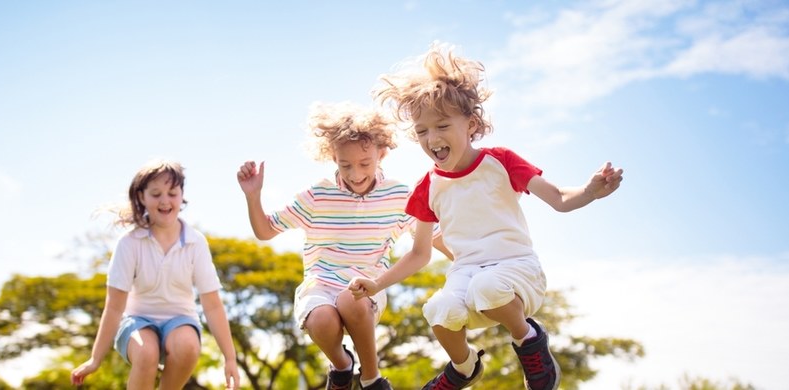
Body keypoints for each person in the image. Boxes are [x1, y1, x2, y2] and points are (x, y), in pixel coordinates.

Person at [348, 43, 624, 390]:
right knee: (439, 310)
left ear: (471, 124)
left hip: (517, 270)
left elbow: (558, 199)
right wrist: (377, 283)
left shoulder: (501, 161)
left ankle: (530, 340)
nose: (432, 139)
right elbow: (419, 253)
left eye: (442, 125)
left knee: (487, 286)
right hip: (467, 276)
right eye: (421, 131)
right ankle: (463, 368)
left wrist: (590, 191)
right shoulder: (427, 187)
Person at [236, 101, 451, 390]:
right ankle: (341, 367)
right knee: (323, 321)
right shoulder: (317, 196)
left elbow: (433, 238)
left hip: (368, 285)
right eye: (345, 164)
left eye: (365, 164)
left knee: (350, 299)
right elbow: (265, 231)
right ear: (333, 158)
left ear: (381, 153)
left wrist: (469, 261)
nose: (355, 173)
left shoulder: (399, 195)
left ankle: (372, 378)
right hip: (321, 284)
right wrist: (253, 195)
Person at [71, 160, 240, 389]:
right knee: (146, 352)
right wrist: (95, 358)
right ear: (142, 197)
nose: (165, 201)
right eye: (156, 194)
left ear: (181, 196)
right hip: (137, 321)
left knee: (188, 346)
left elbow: (212, 304)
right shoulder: (129, 243)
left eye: (172, 193)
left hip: (181, 320)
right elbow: (114, 306)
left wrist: (229, 357)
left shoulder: (195, 242)